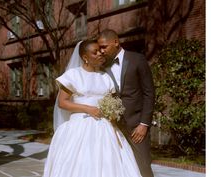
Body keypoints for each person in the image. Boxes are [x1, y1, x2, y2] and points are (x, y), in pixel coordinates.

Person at [43, 39, 142, 177]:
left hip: (105, 127)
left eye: (100, 50)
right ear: (85, 58)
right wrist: (88, 109)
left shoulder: (105, 77)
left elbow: (112, 102)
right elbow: (63, 103)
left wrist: (113, 117)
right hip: (79, 126)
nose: (100, 53)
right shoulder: (73, 75)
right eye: (95, 52)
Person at [98, 29, 155, 177]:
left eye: (104, 47)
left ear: (116, 42)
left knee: (143, 166)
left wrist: (144, 124)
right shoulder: (102, 67)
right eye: (100, 48)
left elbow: (149, 93)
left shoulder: (137, 59)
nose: (102, 51)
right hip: (113, 128)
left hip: (137, 127)